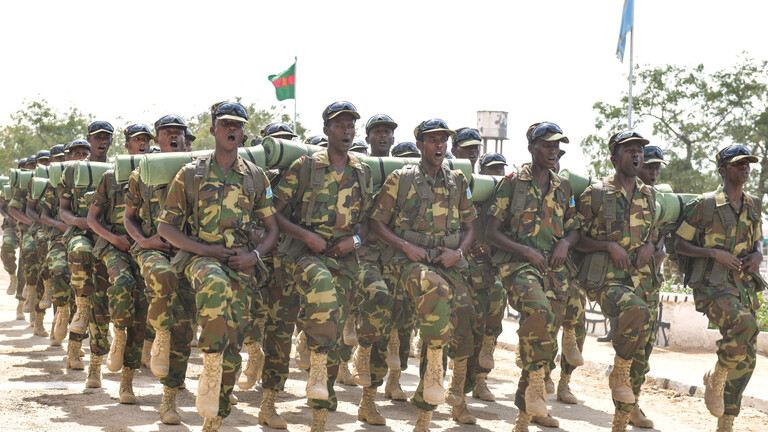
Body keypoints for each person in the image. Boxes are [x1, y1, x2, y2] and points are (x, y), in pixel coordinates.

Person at [158, 101, 279, 431]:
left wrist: (254, 256)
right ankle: (184, 387)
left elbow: (272, 229)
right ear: (213, 130)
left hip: (241, 264)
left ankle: (214, 417)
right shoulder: (191, 173)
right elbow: (166, 228)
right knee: (207, 295)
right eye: (225, 124)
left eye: (237, 125)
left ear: (243, 133)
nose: (231, 129)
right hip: (198, 260)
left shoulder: (255, 177)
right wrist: (205, 250)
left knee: (234, 339)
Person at [370, 118, 476, 432]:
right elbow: (376, 223)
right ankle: (388, 394)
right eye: (432, 140)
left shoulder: (458, 181)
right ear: (419, 145)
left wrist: (459, 253)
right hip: (407, 262)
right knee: (435, 295)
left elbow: (470, 226)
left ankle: (448, 399)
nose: (439, 145)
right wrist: (405, 246)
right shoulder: (400, 179)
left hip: (448, 262)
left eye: (443, 140)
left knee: (467, 318)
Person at [273, 101, 373, 431]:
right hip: (303, 255)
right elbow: (272, 212)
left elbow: (367, 222)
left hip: (343, 260)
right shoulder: (305, 166)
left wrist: (353, 241)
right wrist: (306, 235)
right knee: (320, 291)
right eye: (339, 125)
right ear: (326, 129)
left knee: (336, 332)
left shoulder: (362, 171)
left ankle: (319, 417)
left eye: (350, 126)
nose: (346, 131)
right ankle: (310, 366)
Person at [485, 122, 582, 430]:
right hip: (518, 265)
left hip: (554, 267)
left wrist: (566, 243)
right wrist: (525, 251)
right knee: (539, 311)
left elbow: (574, 227)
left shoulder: (563, 187)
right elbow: (491, 232)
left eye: (557, 147)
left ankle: (526, 412)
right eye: (547, 146)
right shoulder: (512, 183)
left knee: (548, 330)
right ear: (531, 148)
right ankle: (537, 386)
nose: (553, 152)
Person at [575, 130, 660, 432]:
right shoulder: (595, 194)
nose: (636, 154)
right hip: (608, 279)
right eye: (628, 150)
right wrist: (607, 245)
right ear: (614, 157)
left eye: (639, 150)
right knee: (635, 310)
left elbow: (655, 233)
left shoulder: (650, 195)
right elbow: (576, 238)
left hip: (644, 281)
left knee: (643, 350)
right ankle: (619, 371)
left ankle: (624, 415)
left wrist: (651, 246)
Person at [674, 145, 763, 432]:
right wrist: (713, 253)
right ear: (723, 170)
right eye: (739, 164)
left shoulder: (753, 204)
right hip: (712, 287)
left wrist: (758, 254)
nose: (745, 168)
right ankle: (716, 375)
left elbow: (757, 240)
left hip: (743, 287)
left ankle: (726, 422)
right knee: (746, 324)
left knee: (747, 358)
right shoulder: (705, 204)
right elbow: (679, 244)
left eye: (748, 163)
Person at [124, 114, 194, 425]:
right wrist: (143, 240)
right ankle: (159, 335)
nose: (174, 136)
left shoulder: (197, 171)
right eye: (168, 132)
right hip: (152, 249)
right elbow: (129, 217)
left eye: (179, 132)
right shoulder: (142, 173)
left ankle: (169, 400)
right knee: (160, 280)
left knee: (185, 325)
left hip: (186, 252)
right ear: (157, 138)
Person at [86, 123, 153, 404]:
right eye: (137, 140)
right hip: (114, 247)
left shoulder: (158, 174)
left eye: (146, 140)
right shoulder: (111, 177)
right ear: (127, 146)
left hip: (144, 248)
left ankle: (127, 382)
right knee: (101, 307)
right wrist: (113, 238)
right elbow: (92, 219)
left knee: (142, 311)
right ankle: (96, 363)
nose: (143, 144)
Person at [350, 114, 399, 424]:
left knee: (389, 324)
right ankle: (361, 348)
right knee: (376, 299)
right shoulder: (357, 170)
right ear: (367, 138)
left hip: (394, 258)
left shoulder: (405, 173)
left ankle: (368, 401)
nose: (383, 136)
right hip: (361, 255)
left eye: (388, 132)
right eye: (377, 132)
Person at [59, 122, 114, 389]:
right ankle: (73, 352)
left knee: (101, 304)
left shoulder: (117, 169)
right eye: (98, 137)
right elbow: (64, 209)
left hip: (107, 238)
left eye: (106, 138)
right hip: (81, 234)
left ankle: (95, 367)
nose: (102, 141)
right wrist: (78, 222)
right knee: (81, 297)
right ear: (89, 139)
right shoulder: (73, 170)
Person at [467, 152, 507, 405]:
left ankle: (480, 380)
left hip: (496, 265)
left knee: (493, 316)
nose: (497, 174)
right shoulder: (471, 194)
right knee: (470, 324)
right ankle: (461, 379)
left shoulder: (509, 199)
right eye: (492, 170)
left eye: (500, 170)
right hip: (468, 265)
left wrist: (492, 247)